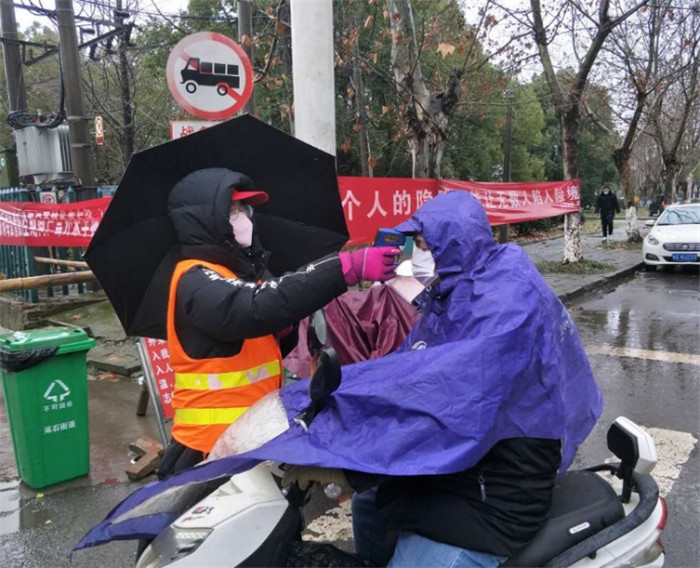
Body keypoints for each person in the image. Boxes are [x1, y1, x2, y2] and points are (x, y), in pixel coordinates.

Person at [284, 190, 602, 567]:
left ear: (454, 244)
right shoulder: (459, 290)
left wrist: (349, 466)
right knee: (370, 504)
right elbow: (405, 373)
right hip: (467, 463)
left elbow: (446, 404)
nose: (418, 255)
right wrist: (337, 413)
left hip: (498, 487)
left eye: (424, 245)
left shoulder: (504, 305)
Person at [159, 167, 400, 478]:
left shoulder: (241, 274)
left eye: (244, 209)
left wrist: (284, 332)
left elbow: (258, 333)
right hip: (208, 450)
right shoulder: (196, 278)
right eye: (231, 211)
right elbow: (254, 308)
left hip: (250, 437)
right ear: (206, 219)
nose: (243, 218)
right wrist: (345, 268)